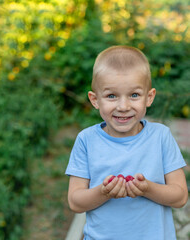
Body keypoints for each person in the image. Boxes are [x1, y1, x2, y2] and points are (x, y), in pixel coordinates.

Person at [65, 46, 188, 240]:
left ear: (149, 97)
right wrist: (104, 192)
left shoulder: (161, 137)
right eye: (111, 96)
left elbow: (180, 197)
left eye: (134, 95)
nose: (123, 106)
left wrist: (148, 189)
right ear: (95, 100)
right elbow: (75, 201)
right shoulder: (86, 141)